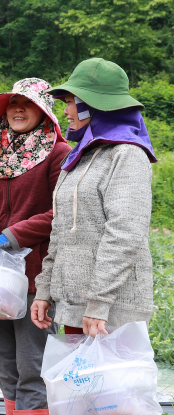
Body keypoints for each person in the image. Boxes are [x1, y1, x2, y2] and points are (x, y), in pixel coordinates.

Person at [31, 58, 157, 339]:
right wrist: (46, 289)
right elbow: (61, 230)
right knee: (76, 384)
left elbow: (125, 234)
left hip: (109, 313)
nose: (65, 112)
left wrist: (99, 303)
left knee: (111, 384)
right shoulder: (80, 155)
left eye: (69, 102)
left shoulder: (127, 155)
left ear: (91, 103)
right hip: (77, 306)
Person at [0, 78, 72, 415]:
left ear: (43, 111)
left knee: (33, 368)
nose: (17, 108)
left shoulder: (59, 154)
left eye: (27, 103)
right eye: (13, 103)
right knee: (5, 364)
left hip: (36, 275)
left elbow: (61, 212)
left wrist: (13, 235)